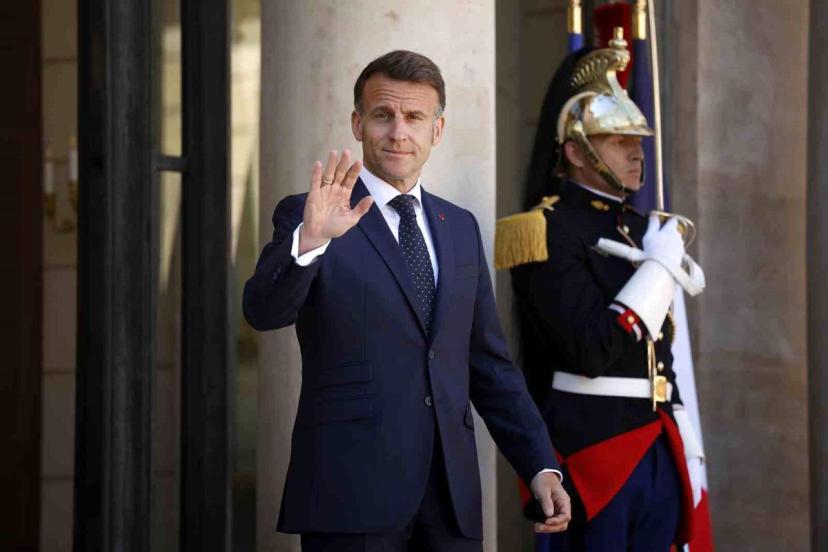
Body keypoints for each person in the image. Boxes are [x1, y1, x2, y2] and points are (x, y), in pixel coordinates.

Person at [243, 49, 570, 551]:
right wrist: (311, 241)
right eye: (383, 115)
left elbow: (488, 363)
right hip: (351, 496)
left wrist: (540, 464)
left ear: (437, 130)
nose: (399, 132)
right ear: (358, 123)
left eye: (414, 117)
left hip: (451, 498)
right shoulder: (311, 214)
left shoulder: (459, 227)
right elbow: (264, 312)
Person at [496, 33, 703, 551]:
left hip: (661, 441)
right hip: (595, 452)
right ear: (576, 150)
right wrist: (656, 272)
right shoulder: (546, 230)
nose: (636, 153)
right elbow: (589, 351)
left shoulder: (641, 229)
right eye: (618, 140)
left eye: (638, 140)